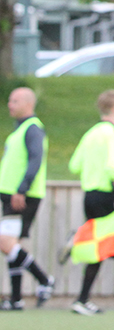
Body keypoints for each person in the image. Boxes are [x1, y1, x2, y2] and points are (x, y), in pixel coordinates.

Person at [66, 89, 114, 316]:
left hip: (89, 196)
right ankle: (77, 241)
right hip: (107, 196)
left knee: (103, 248)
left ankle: (82, 299)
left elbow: (74, 165)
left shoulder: (91, 134)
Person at [0, 88, 52, 309]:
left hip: (23, 196)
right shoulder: (18, 130)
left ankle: (44, 279)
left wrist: (22, 188)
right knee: (13, 246)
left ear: (28, 104)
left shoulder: (33, 129)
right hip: (12, 195)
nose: (10, 104)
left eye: (15, 100)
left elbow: (35, 160)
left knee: (5, 242)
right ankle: (16, 298)